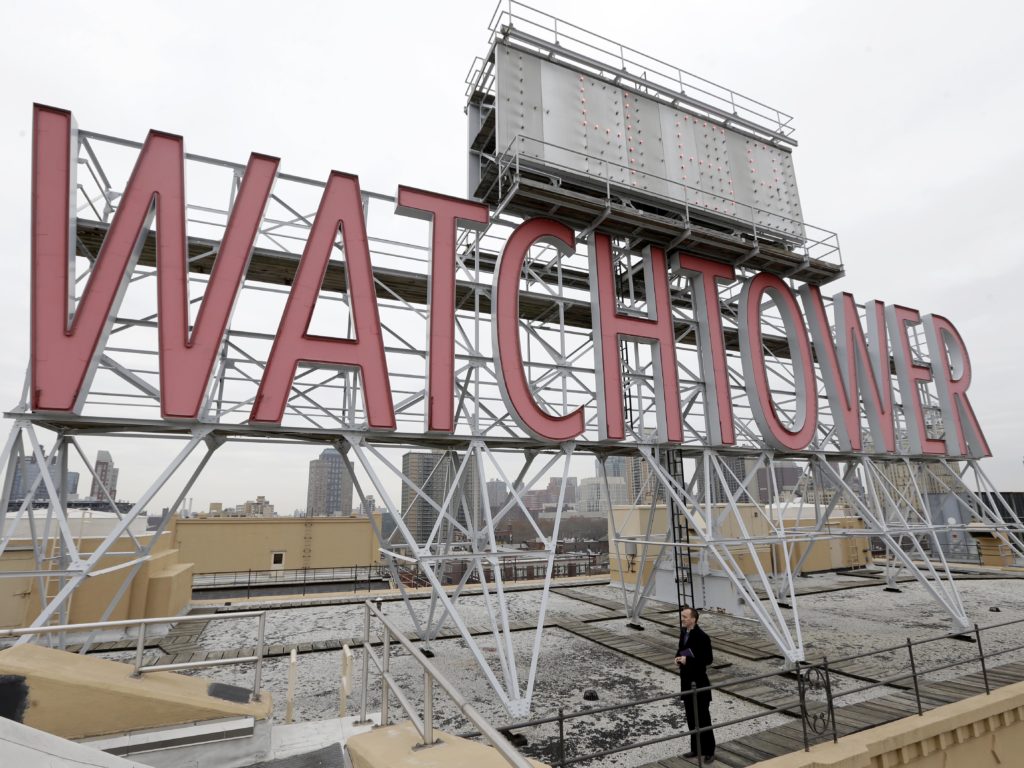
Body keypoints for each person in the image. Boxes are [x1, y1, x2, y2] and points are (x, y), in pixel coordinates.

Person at [675, 605, 715, 763]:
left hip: (699, 683)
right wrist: (678, 658)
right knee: (691, 718)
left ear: (693, 619)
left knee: (703, 718)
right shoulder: (684, 632)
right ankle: (696, 749)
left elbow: (708, 660)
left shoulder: (703, 637)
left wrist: (688, 660)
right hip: (686, 682)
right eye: (682, 616)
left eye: (685, 617)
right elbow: (681, 650)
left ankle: (709, 751)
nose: (682, 619)